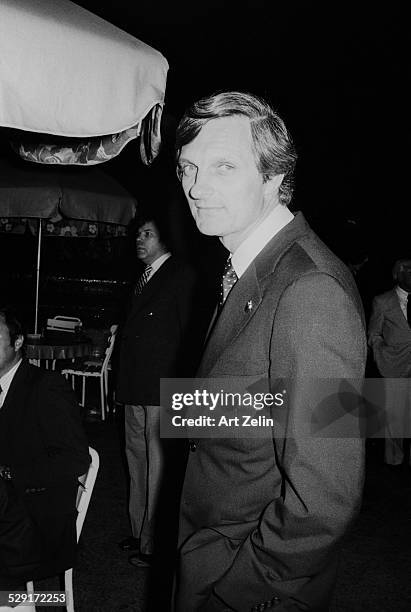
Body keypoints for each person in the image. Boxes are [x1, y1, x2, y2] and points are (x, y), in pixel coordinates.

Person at [173, 91, 367, 611]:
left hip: (247, 582)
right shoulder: (251, 267)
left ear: (274, 179)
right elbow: (263, 408)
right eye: (187, 167)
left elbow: (326, 497)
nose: (197, 187)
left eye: (223, 167)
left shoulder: (310, 289)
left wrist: (238, 586)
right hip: (211, 550)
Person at [116, 212, 202, 569]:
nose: (140, 239)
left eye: (147, 234)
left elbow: (190, 333)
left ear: (164, 240)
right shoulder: (144, 278)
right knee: (136, 460)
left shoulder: (181, 276)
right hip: (135, 384)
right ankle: (139, 531)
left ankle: (153, 544)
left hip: (163, 386)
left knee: (158, 465)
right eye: (138, 234)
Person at [0, 307, 90, 582]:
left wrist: (9, 473)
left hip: (33, 518)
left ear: (18, 343)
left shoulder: (45, 386)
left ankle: (13, 602)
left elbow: (75, 458)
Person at [368, 259, 411, 467]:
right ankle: (395, 460)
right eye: (408, 270)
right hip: (394, 366)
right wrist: (381, 355)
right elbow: (373, 333)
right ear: (398, 274)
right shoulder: (382, 301)